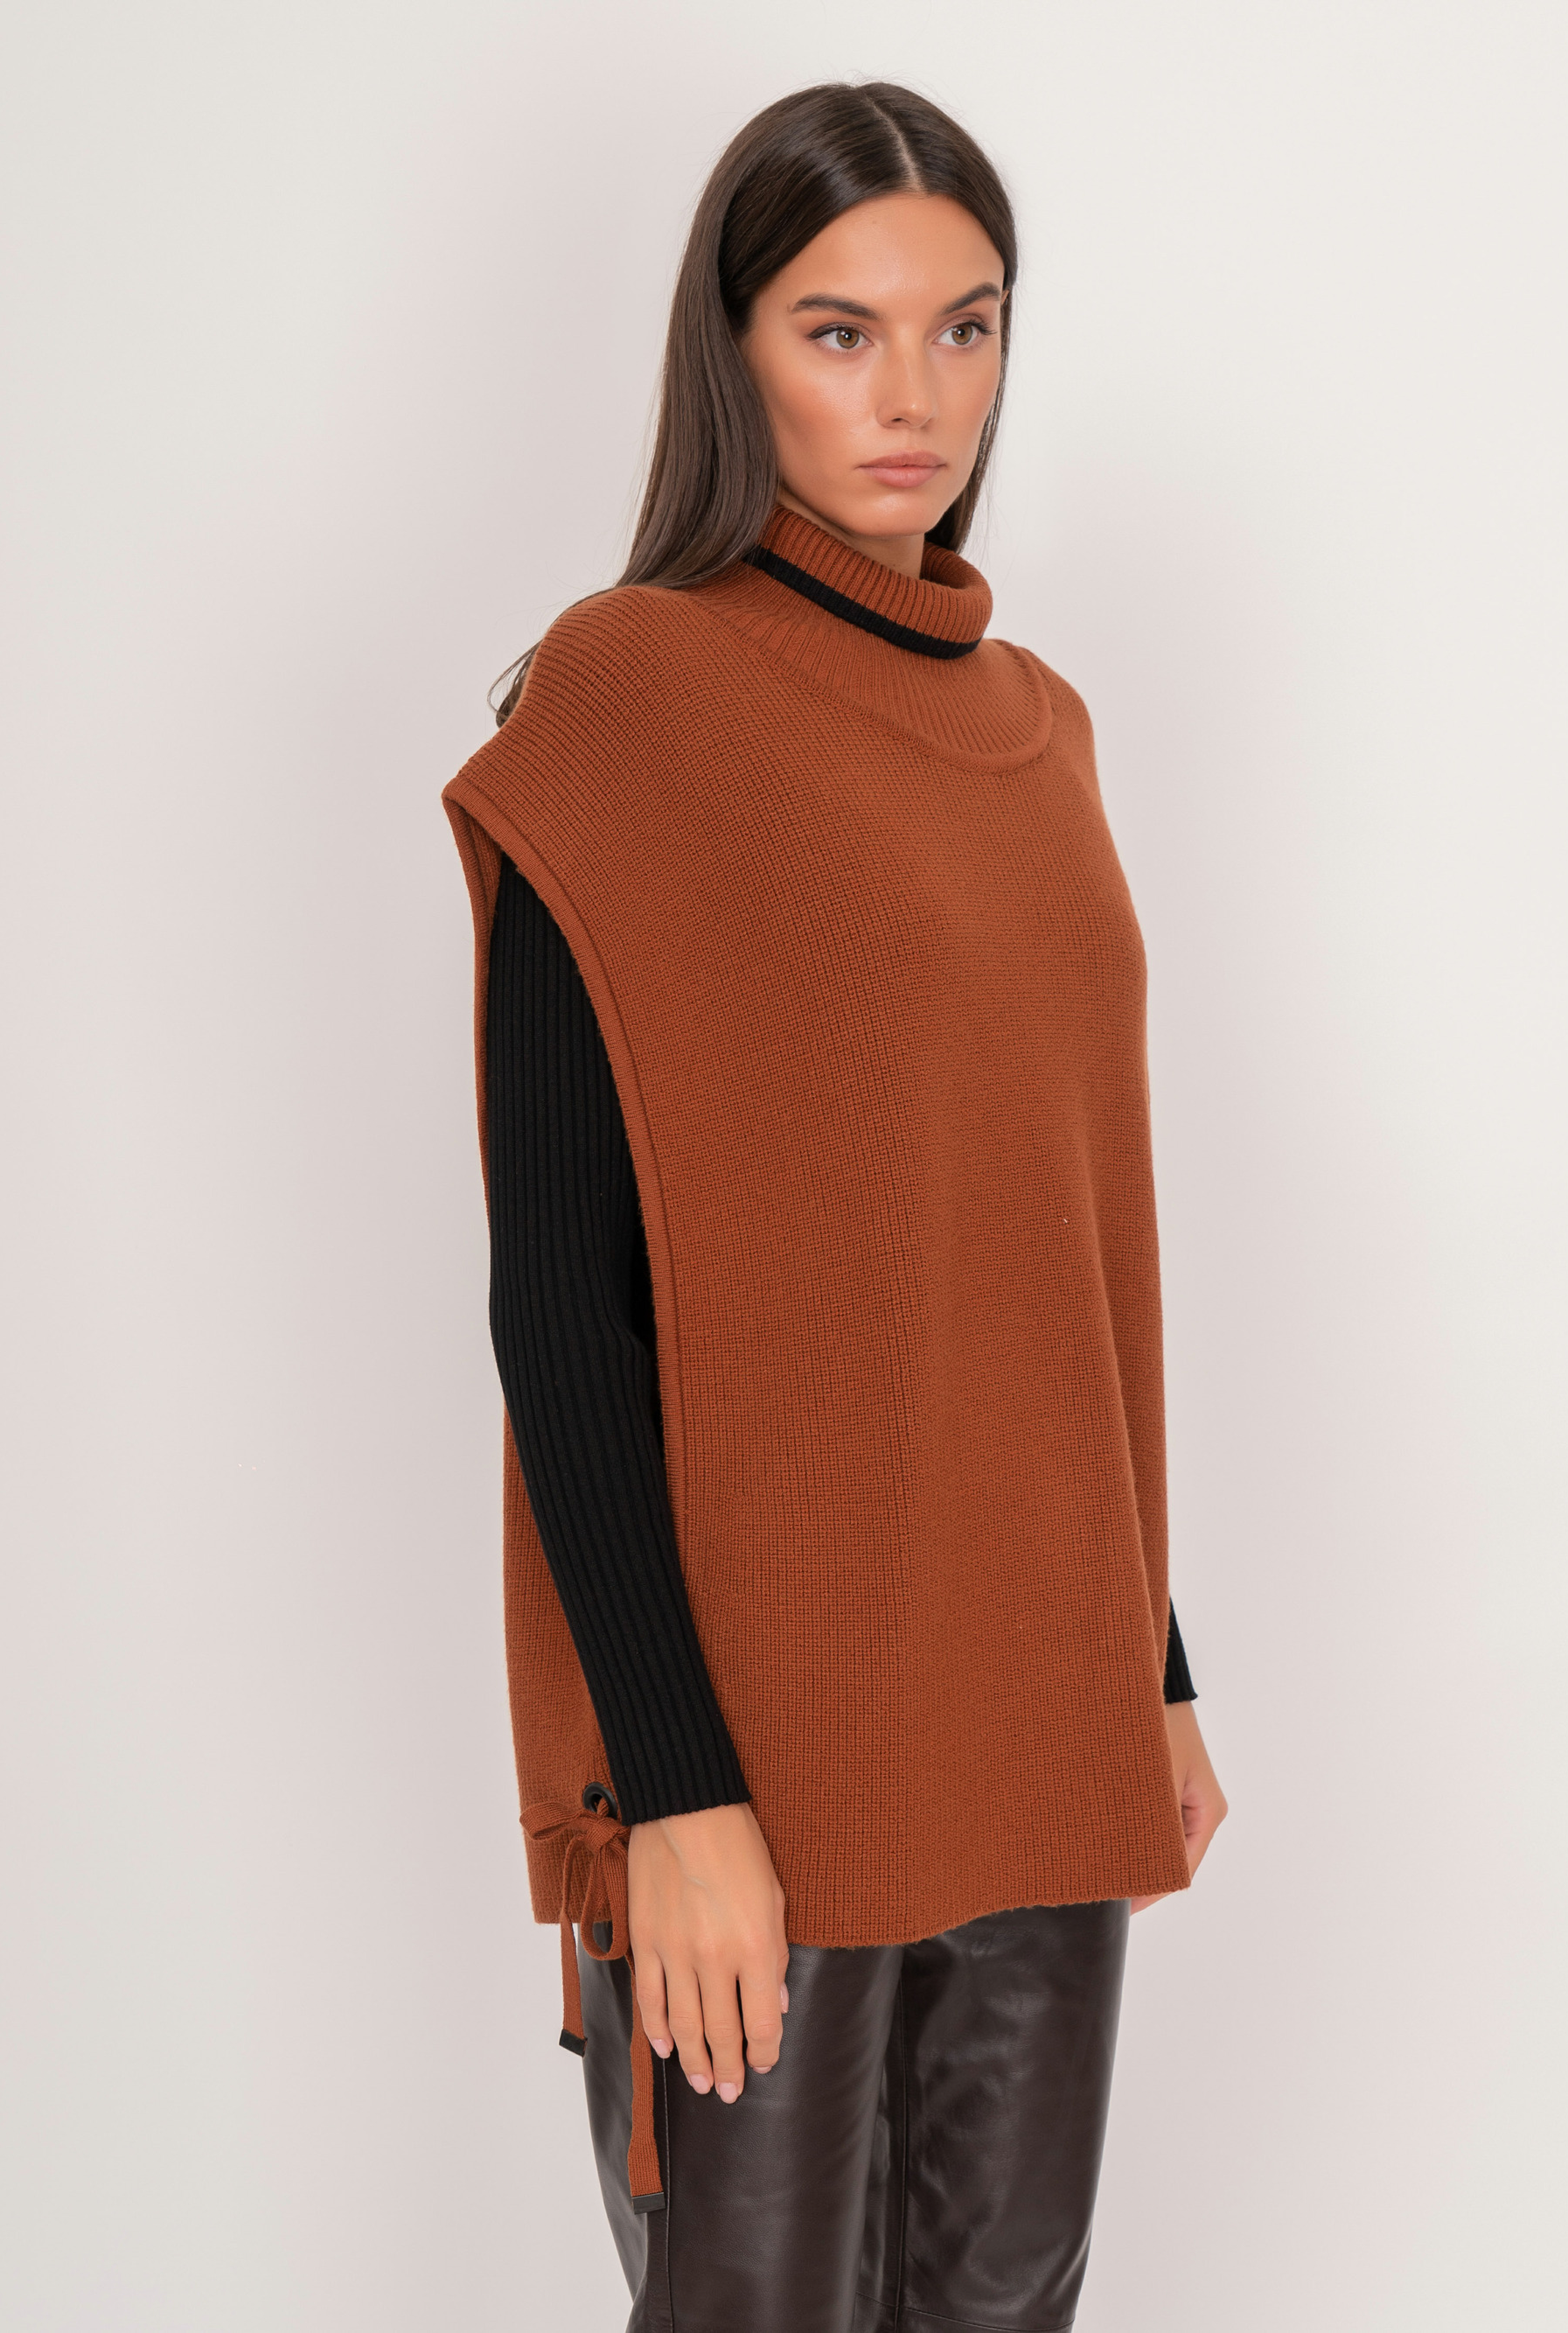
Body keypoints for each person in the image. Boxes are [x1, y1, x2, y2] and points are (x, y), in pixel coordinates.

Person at [443, 79, 1228, 2333]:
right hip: (758, 1744)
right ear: (733, 352)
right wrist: (673, 1792)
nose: (917, 398)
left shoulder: (1044, 728)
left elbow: (1050, 1239)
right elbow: (561, 1301)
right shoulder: (632, 690)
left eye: (965, 328)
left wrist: (1151, 1667)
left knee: (1003, 2308)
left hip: (1040, 1692)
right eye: (840, 330)